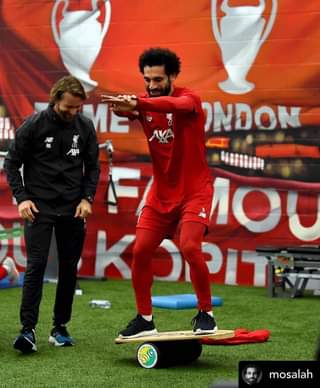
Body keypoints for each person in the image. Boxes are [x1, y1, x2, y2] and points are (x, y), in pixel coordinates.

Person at [102, 47, 217, 338]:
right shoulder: (145, 105)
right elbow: (128, 110)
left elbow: (174, 106)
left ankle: (206, 314)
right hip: (161, 193)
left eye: (158, 80)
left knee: (190, 246)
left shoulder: (189, 99)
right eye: (147, 80)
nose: (152, 86)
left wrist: (137, 103)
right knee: (140, 250)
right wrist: (124, 108)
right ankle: (145, 319)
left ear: (173, 77)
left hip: (194, 191)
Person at [4, 75, 100, 353]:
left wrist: (87, 198)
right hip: (39, 208)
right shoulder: (34, 125)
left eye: (77, 108)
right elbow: (12, 163)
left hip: (73, 208)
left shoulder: (85, 127)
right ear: (55, 99)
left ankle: (60, 327)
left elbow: (92, 167)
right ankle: (28, 330)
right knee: (35, 266)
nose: (73, 113)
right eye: (68, 107)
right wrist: (22, 199)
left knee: (69, 269)